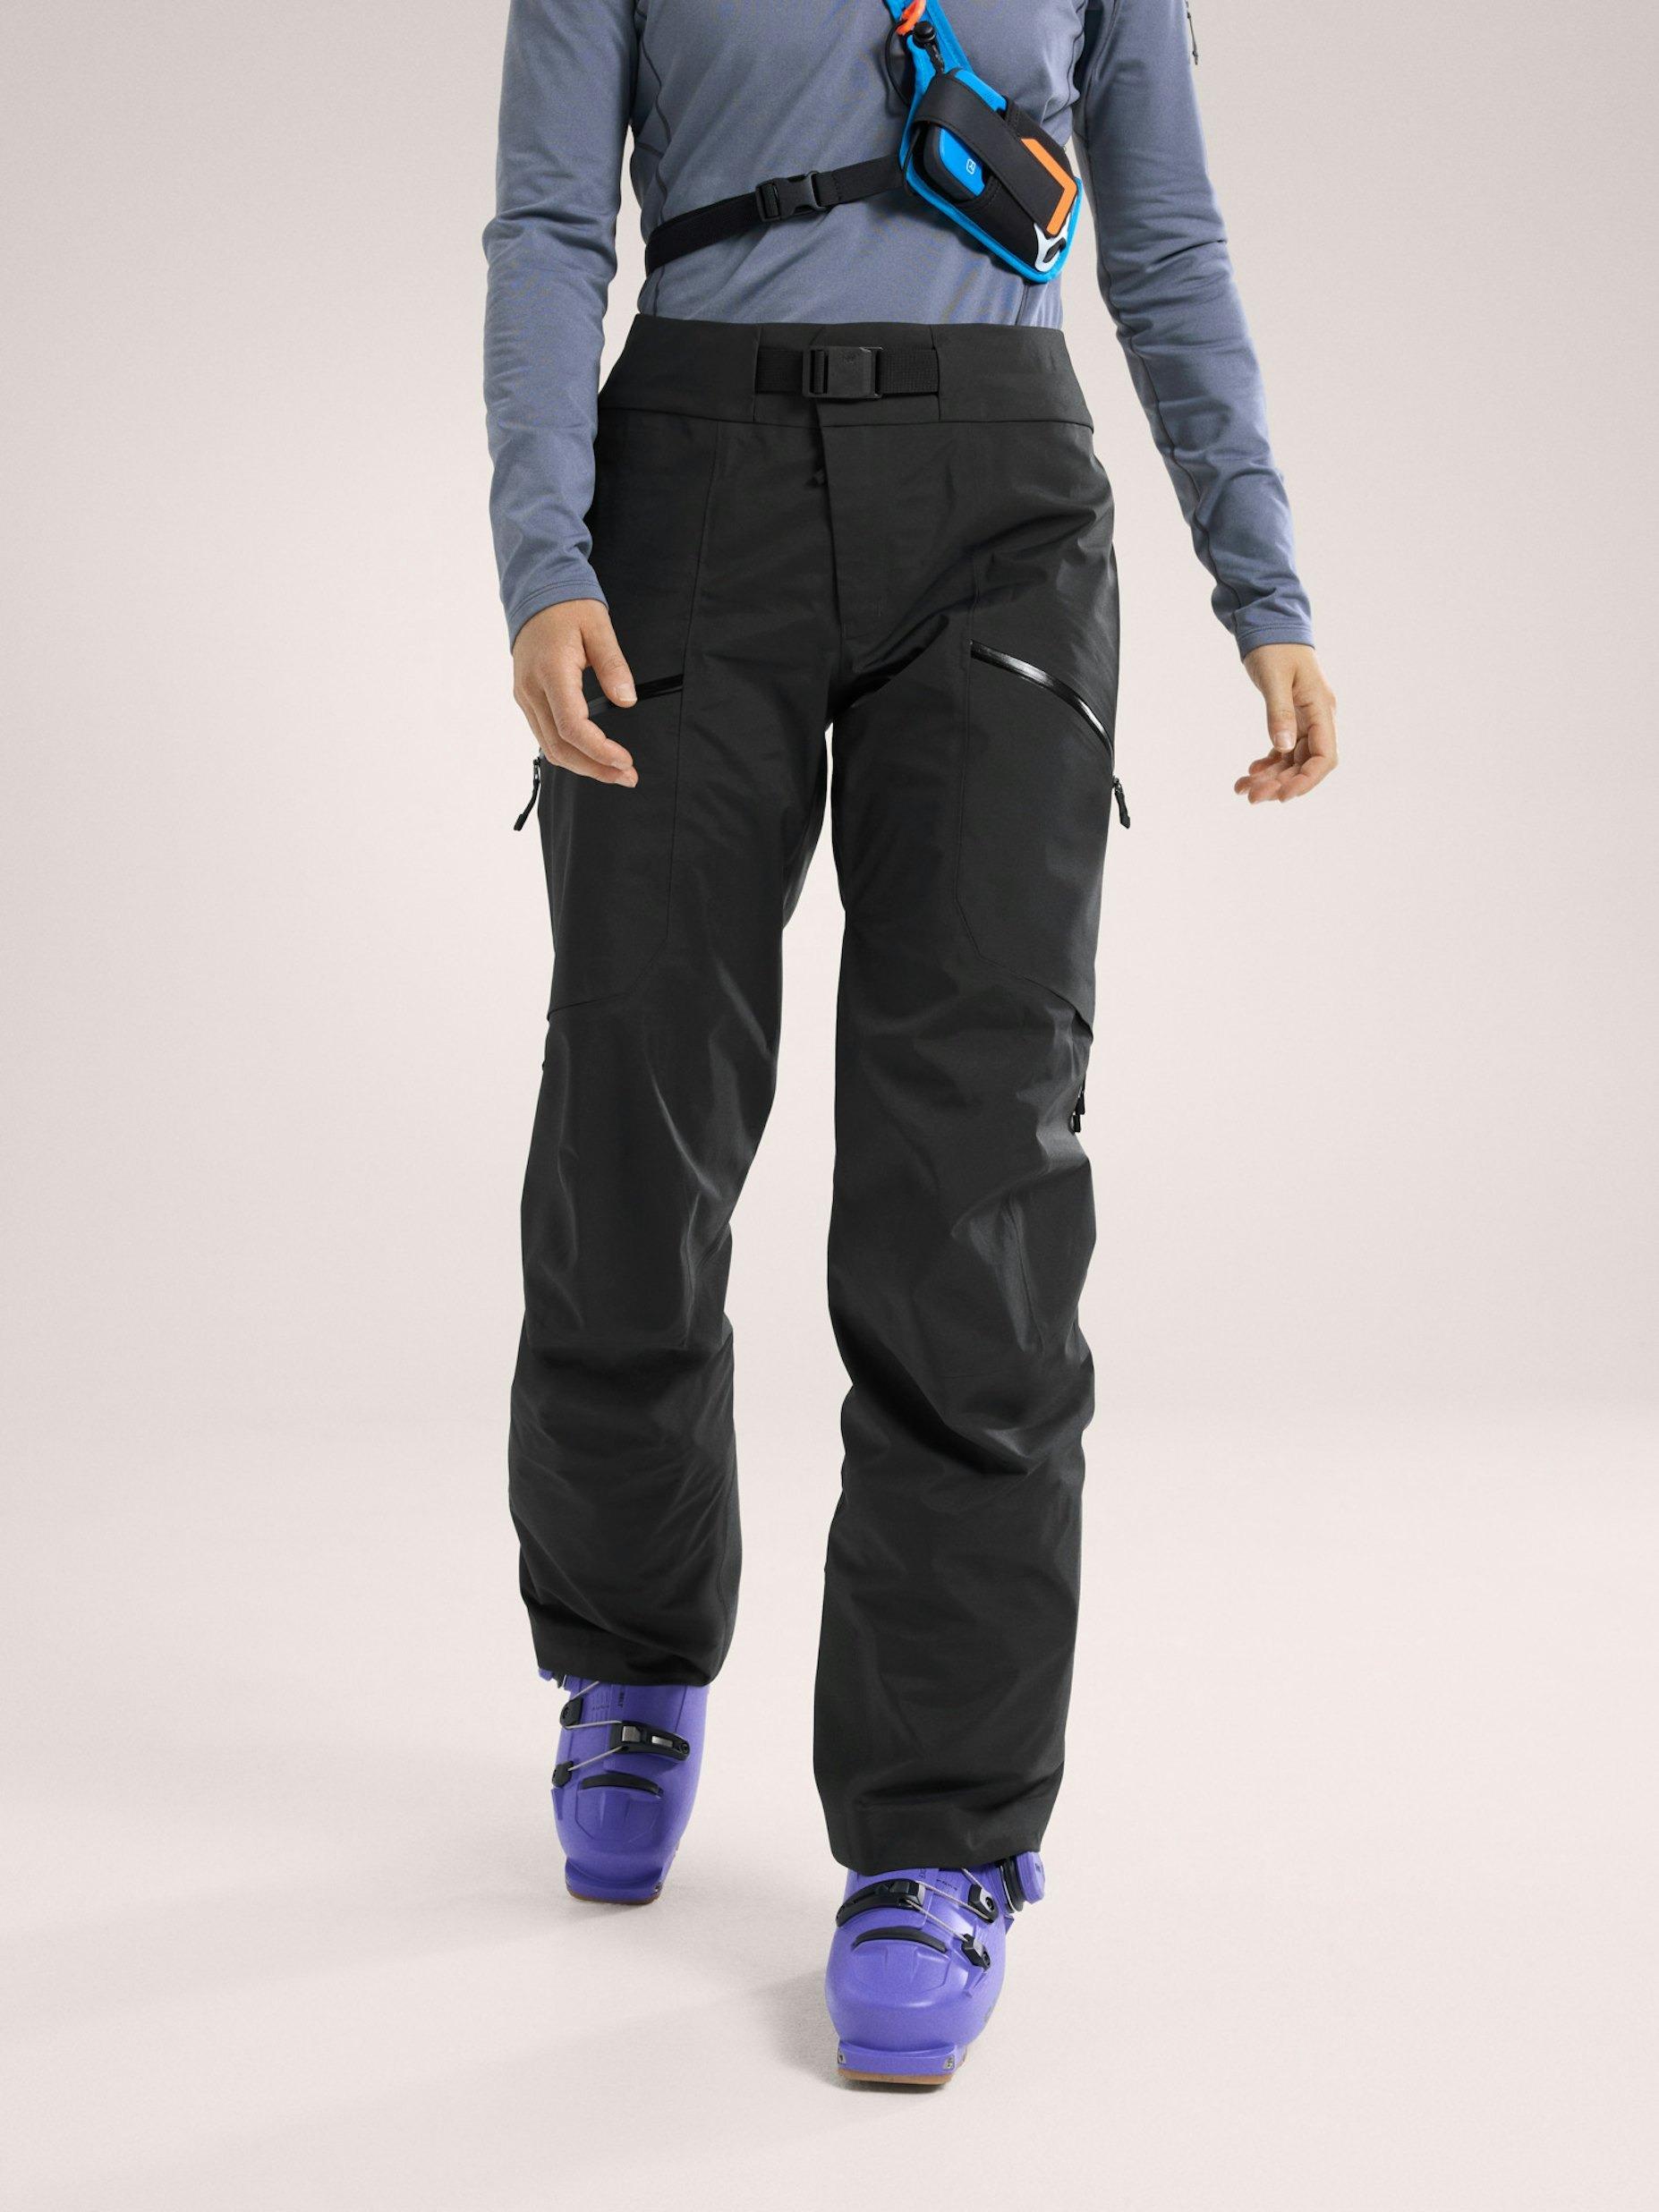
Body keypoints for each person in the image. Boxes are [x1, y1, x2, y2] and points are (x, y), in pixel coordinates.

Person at [483, 0, 1337, 2086]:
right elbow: (549, 223)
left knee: (974, 1183)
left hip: (1002, 510)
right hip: (684, 496)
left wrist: (1263, 579)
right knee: (634, 1122)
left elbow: (1166, 239)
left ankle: (938, 1838)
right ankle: (628, 1660)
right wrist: (541, 554)